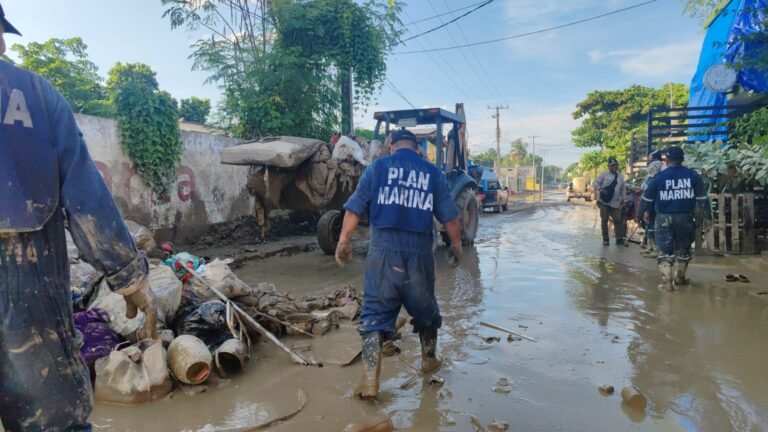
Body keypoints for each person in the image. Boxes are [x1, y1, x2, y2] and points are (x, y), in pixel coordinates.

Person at [0, 6, 158, 430]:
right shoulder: (35, 95)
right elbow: (86, 200)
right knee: (54, 421)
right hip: (26, 281)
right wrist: (130, 279)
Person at [335, 129, 463, 400]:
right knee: (426, 311)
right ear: (418, 149)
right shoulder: (433, 173)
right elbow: (450, 218)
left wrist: (344, 240)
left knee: (373, 317)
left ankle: (371, 379)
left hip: (382, 254)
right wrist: (457, 246)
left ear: (391, 145)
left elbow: (354, 209)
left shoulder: (377, 168)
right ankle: (428, 360)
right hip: (419, 255)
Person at [638, 146, 711, 291]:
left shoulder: (659, 177)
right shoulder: (693, 175)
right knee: (684, 249)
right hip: (685, 218)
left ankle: (666, 284)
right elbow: (703, 199)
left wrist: (639, 215)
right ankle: (680, 278)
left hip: (664, 218)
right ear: (682, 159)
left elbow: (646, 199)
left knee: (664, 251)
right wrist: (708, 217)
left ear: (667, 159)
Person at [593, 157, 629, 245]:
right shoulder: (603, 174)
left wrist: (624, 200)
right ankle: (605, 239)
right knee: (604, 219)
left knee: (618, 220)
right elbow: (595, 183)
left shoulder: (620, 176)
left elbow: (623, 189)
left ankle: (619, 238)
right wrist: (600, 189)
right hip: (604, 202)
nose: (614, 167)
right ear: (609, 166)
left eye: (615, 165)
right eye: (612, 165)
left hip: (615, 202)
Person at [639, 150, 664, 257]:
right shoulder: (659, 171)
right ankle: (650, 247)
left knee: (653, 226)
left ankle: (655, 249)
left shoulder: (656, 171)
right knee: (650, 225)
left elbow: (650, 191)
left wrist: (647, 210)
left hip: (654, 203)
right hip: (655, 203)